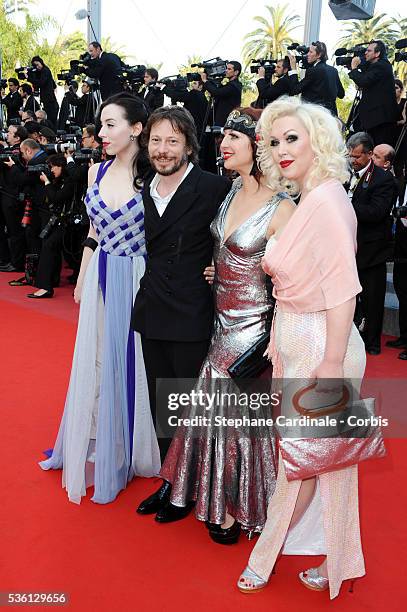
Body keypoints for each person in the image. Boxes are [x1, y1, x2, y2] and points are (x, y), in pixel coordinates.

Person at [237, 97, 367, 599]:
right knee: (326, 464)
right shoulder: (311, 197)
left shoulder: (329, 200)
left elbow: (343, 289)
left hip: (322, 349)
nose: (282, 149)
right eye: (274, 141)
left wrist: (330, 367)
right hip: (299, 343)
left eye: (293, 137)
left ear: (318, 139)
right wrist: (277, 339)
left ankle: (263, 559)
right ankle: (340, 565)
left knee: (301, 464)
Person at [157, 107, 295, 536]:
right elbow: (227, 249)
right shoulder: (230, 191)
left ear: (259, 146)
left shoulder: (283, 206)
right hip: (218, 313)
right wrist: (222, 267)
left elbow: (290, 279)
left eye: (236, 137)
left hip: (253, 323)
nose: (226, 144)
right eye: (225, 137)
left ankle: (239, 506)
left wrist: (272, 332)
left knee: (234, 411)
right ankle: (210, 492)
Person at [39, 93, 160, 504]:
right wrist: (83, 276)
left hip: (139, 277)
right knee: (94, 359)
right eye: (102, 125)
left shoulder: (156, 179)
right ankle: (97, 436)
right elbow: (93, 232)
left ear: (137, 129)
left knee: (132, 362)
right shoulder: (95, 171)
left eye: (111, 124)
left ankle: (129, 446)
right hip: (101, 275)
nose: (102, 133)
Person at [132, 105, 231, 519]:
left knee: (190, 405)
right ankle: (172, 482)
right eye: (156, 140)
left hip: (192, 311)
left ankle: (192, 490)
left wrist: (220, 265)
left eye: (172, 141)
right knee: (162, 406)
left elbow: (239, 235)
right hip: (152, 307)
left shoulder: (214, 188)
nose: (163, 149)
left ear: (189, 146)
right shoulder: (145, 187)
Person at [347, 131, 398, 354]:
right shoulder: (344, 174)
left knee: (372, 299)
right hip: (347, 246)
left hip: (373, 249)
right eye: (350, 156)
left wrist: (343, 205)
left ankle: (372, 342)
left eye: (356, 157)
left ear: (369, 154)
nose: (352, 160)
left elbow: (377, 212)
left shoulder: (384, 179)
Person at [26, 155, 74, 298]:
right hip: (60, 221)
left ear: (62, 166)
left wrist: (47, 183)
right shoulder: (59, 180)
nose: (51, 170)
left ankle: (46, 286)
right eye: (50, 167)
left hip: (69, 224)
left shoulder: (70, 181)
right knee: (49, 247)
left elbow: (56, 197)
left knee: (50, 247)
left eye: (54, 166)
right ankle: (49, 283)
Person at [348, 40, 398, 146]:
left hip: (380, 120)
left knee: (379, 150)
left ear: (377, 53)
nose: (366, 53)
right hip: (376, 120)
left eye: (369, 51)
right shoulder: (377, 66)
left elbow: (363, 81)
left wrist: (354, 68)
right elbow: (365, 81)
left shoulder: (381, 65)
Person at [288, 41, 344, 116]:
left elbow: (294, 90)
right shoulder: (333, 70)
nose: (307, 54)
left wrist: (293, 69)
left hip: (315, 116)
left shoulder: (313, 71)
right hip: (331, 118)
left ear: (319, 55)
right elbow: (341, 94)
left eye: (311, 52)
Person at [0, 125, 28, 273]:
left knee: (14, 230)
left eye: (10, 133)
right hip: (6, 195)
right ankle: (6, 259)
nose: (7, 135)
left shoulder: (18, 153)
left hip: (12, 196)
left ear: (17, 138)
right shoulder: (9, 150)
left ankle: (16, 263)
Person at [27, 56, 59, 129]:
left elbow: (41, 83)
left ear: (41, 62)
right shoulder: (42, 72)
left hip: (50, 101)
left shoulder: (45, 71)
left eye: (37, 64)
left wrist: (29, 78)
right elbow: (52, 85)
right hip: (47, 100)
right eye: (35, 66)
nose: (37, 67)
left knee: (50, 123)